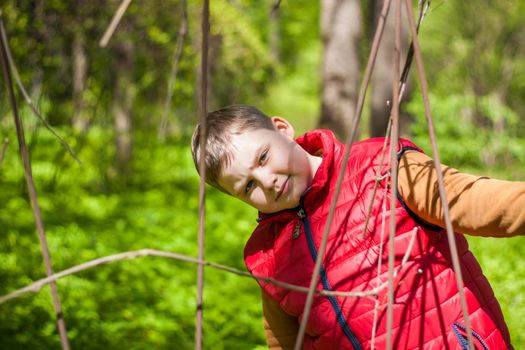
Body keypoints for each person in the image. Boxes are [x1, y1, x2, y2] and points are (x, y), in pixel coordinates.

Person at [191, 105, 525, 350]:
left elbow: (479, 202)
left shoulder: (382, 166)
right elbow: (285, 341)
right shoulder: (267, 255)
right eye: (248, 187)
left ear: (281, 128)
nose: (267, 181)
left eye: (263, 158)